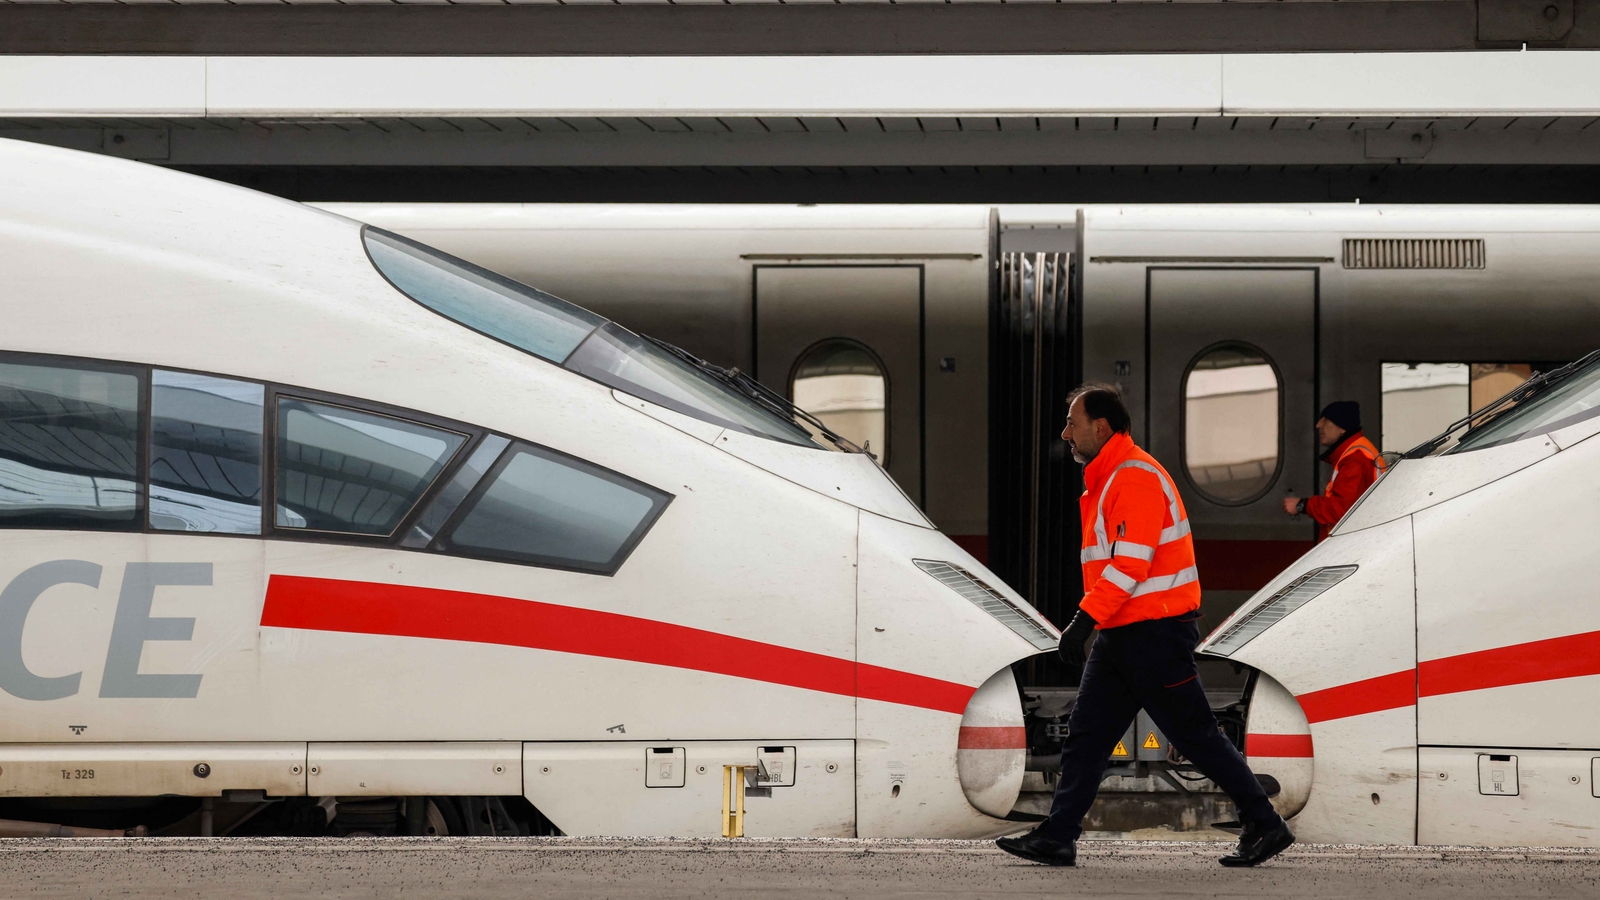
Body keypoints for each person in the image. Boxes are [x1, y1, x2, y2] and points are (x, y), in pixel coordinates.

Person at [996, 384, 1292, 869]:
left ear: (1101, 427)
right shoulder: (1110, 477)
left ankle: (1264, 823)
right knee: (1088, 734)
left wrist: (1081, 621)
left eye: (1073, 423)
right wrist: (1097, 623)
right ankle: (1059, 835)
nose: (1065, 433)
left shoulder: (1132, 477)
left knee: (1195, 734)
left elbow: (1129, 565)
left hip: (1153, 633)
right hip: (1125, 633)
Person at [1281, 401, 1386, 541]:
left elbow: (1342, 510)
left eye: (1325, 420)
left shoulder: (1355, 459)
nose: (1318, 425)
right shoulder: (1356, 452)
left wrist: (1303, 505)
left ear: (1342, 428)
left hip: (1353, 544)